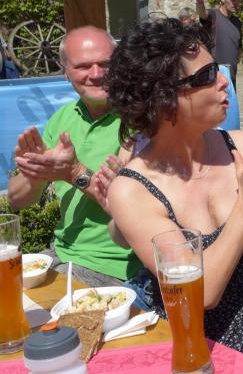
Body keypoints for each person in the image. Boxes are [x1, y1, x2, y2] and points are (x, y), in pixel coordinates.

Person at [104, 19, 243, 373]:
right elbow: (203, 294)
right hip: (193, 341)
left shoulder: (241, 145)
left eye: (219, 70)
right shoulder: (131, 190)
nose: (225, 81)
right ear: (164, 98)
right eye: (207, 75)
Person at [7, 26, 146, 299]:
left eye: (105, 64)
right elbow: (16, 200)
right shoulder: (62, 118)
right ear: (66, 71)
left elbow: (135, 205)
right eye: (83, 66)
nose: (96, 74)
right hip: (60, 253)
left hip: (113, 266)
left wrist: (73, 171)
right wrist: (37, 172)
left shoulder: (139, 118)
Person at [192, 0, 243, 88]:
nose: (236, 3)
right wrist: (200, 3)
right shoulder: (213, 15)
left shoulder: (237, 22)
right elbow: (203, 14)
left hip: (231, 76)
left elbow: (238, 48)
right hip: (214, 76)